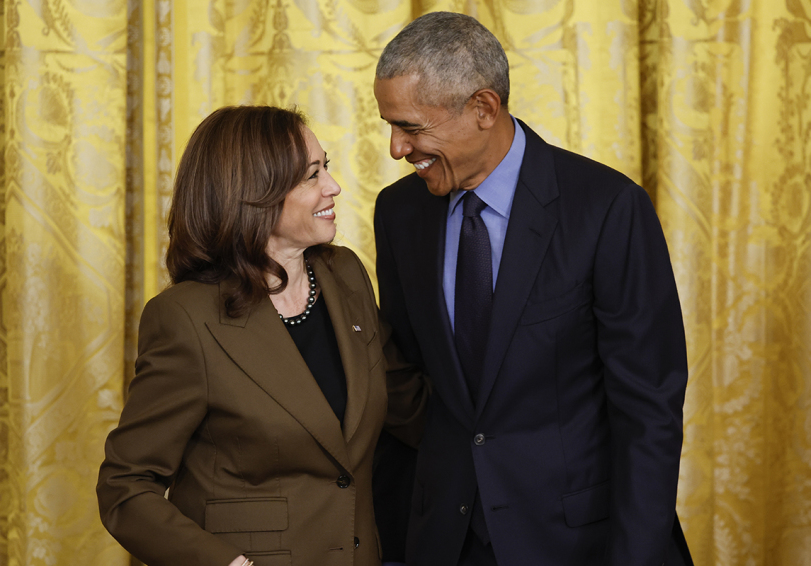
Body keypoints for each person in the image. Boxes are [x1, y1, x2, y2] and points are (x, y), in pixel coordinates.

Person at [371, 12, 695, 566]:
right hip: (444, 541)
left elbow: (648, 412)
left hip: (575, 543)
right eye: (391, 126)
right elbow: (409, 390)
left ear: (483, 108)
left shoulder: (607, 208)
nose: (398, 148)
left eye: (412, 127)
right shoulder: (399, 213)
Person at [97, 105, 426, 566]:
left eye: (326, 166)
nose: (333, 186)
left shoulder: (345, 274)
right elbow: (124, 487)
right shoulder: (185, 319)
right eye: (312, 175)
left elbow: (404, 403)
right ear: (254, 195)